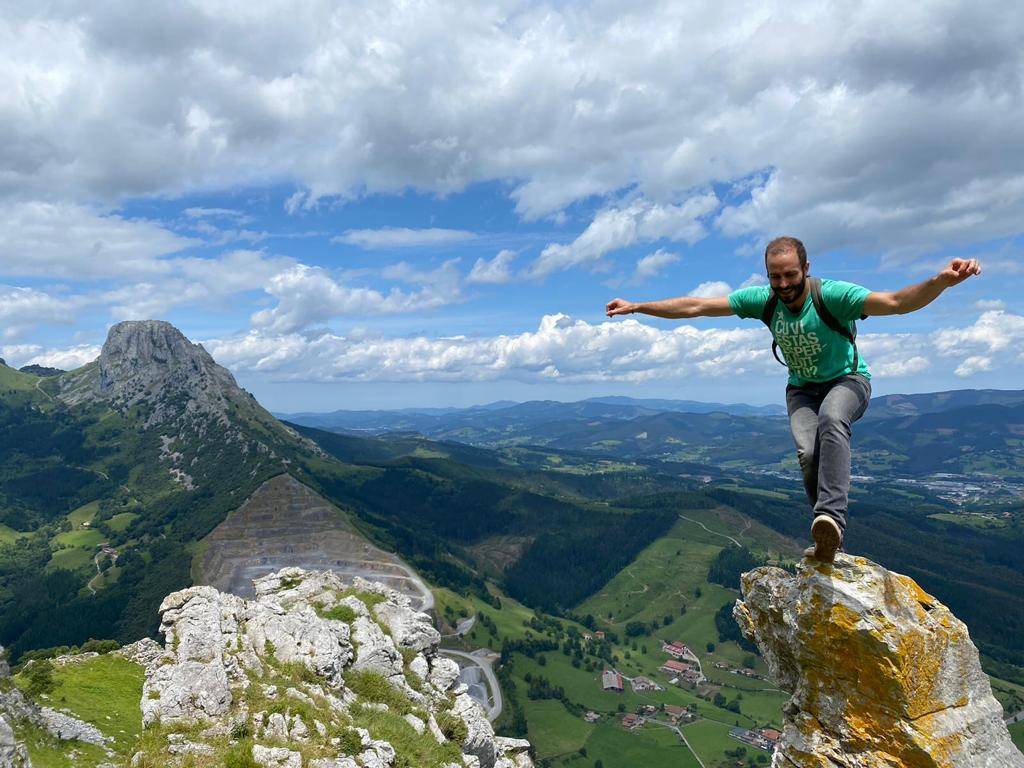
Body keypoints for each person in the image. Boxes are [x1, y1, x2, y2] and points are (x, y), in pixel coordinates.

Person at [605, 236, 981, 562]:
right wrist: (638, 306)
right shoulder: (764, 300)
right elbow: (697, 306)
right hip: (801, 389)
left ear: (805, 268)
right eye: (775, 276)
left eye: (790, 274)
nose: (783, 283)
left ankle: (831, 516)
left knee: (833, 419)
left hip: (849, 380)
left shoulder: (832, 295)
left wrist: (941, 281)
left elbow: (897, 302)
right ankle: (827, 540)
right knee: (808, 452)